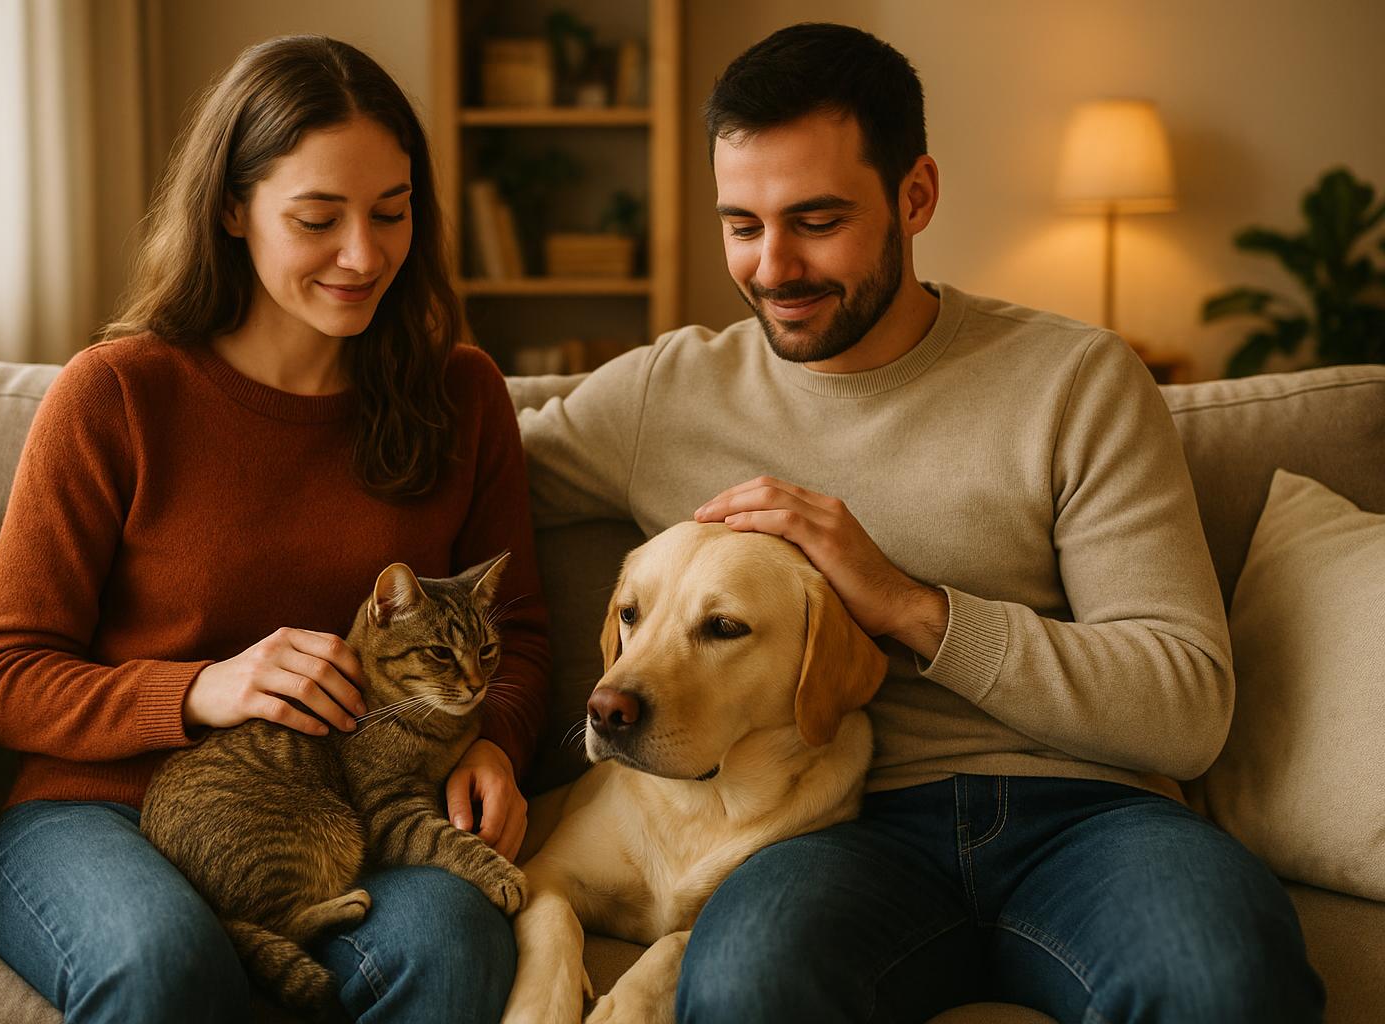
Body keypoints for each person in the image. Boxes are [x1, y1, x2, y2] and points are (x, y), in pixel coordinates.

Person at [517, 22, 1323, 1023]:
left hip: (1094, 817)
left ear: (917, 196)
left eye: (816, 219)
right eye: (742, 225)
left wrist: (907, 605)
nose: (773, 267)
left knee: (1223, 980)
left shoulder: (1074, 380)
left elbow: (1188, 706)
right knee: (746, 984)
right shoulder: (665, 394)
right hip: (833, 832)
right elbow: (449, 473)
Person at [0, 35, 548, 1024]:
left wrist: (489, 739)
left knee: (452, 944)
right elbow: (5, 677)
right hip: (96, 811)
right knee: (162, 963)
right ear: (233, 209)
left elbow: (524, 633)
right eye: (318, 218)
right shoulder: (115, 394)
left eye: (392, 213)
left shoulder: (462, 394)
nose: (364, 254)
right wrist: (202, 688)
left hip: (349, 812)